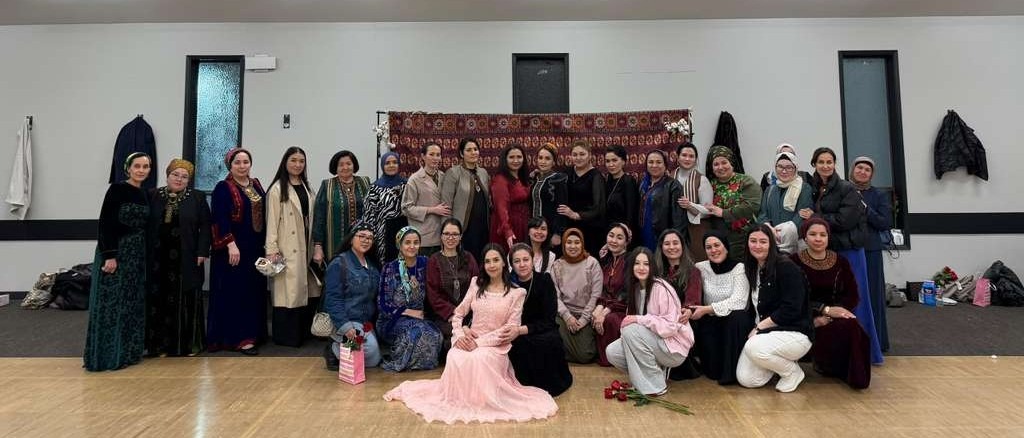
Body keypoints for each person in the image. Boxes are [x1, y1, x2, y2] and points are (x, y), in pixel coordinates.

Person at [383, 244, 558, 424]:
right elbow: (458, 314)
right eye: (487, 261)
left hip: (495, 346)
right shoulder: (476, 284)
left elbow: (510, 327)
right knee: (455, 355)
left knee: (479, 359)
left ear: (504, 263)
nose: (492, 265)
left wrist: (478, 343)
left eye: (496, 260)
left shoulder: (516, 292)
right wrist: (460, 336)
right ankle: (458, 400)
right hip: (469, 339)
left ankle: (481, 402)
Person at [800, 147, 882, 364]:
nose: (825, 166)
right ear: (814, 164)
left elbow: (846, 220)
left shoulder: (847, 188)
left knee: (856, 301)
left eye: (829, 162)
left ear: (835, 164)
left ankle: (865, 354)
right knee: (832, 304)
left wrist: (816, 216)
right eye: (821, 162)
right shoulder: (814, 187)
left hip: (850, 250)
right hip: (831, 249)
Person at [85, 152, 152, 371]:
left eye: (145, 167)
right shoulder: (117, 190)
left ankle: (128, 353)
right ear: (128, 168)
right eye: (137, 166)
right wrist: (110, 255)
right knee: (112, 303)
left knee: (131, 303)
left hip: (136, 255)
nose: (141, 170)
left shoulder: (144, 193)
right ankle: (107, 356)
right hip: (118, 253)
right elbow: (106, 223)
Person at [791, 218, 871, 389]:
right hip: (804, 315)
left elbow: (852, 295)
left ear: (828, 237)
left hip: (834, 315)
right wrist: (821, 311)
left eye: (823, 235)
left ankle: (853, 377)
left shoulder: (841, 261)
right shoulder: (793, 261)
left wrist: (837, 313)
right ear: (805, 237)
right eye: (813, 234)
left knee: (852, 326)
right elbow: (792, 298)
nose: (818, 239)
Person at [605, 247, 695, 396]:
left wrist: (639, 319)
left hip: (673, 347)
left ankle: (656, 386)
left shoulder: (661, 288)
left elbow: (670, 327)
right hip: (654, 342)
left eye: (646, 264)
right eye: (637, 263)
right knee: (612, 352)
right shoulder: (635, 289)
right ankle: (652, 374)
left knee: (631, 329)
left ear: (652, 266)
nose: (641, 268)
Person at [145, 158, 211, 358]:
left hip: (187, 256)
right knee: (160, 299)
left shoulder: (197, 197)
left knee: (186, 298)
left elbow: (206, 226)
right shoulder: (152, 195)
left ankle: (188, 345)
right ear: (167, 175)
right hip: (158, 258)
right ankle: (160, 346)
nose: (179, 179)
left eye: (184, 177)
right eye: (175, 174)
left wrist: (202, 251)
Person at [737, 224, 814, 393]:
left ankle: (792, 372)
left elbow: (791, 308)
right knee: (747, 379)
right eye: (753, 241)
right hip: (766, 336)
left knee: (753, 347)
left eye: (763, 241)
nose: (757, 246)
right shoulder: (752, 267)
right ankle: (777, 363)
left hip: (794, 332)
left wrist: (759, 327)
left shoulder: (786, 267)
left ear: (771, 244)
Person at [208, 148, 267, 355]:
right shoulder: (223, 188)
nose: (242, 166)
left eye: (246, 162)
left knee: (253, 291)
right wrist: (230, 244)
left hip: (254, 247)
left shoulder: (255, 185)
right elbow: (219, 218)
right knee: (236, 292)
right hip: (233, 250)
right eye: (237, 163)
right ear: (230, 165)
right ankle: (239, 338)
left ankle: (254, 333)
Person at [264, 147, 320, 347]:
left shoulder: (307, 186)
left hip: (305, 243)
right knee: (287, 293)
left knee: (304, 291)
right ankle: (286, 336)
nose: (297, 164)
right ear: (285, 162)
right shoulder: (277, 189)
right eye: (293, 160)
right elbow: (271, 222)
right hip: (287, 246)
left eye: (301, 161)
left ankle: (303, 332)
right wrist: (272, 250)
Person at [508, 243, 574, 396]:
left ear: (533, 261)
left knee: (549, 342)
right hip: (515, 330)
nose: (522, 264)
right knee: (517, 345)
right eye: (517, 261)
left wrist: (522, 330)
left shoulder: (544, 281)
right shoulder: (507, 283)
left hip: (542, 328)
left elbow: (549, 318)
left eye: (526, 259)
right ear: (512, 264)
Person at [690, 230, 753, 385]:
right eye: (708, 247)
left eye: (717, 245)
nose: (713, 250)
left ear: (726, 247)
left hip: (733, 324)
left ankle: (734, 371)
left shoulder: (739, 268)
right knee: (713, 372)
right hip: (711, 322)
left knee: (738, 316)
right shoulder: (700, 267)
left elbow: (739, 301)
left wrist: (706, 309)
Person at [377, 226, 442, 371]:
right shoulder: (390, 268)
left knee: (435, 333)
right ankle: (405, 362)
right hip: (392, 320)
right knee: (417, 331)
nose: (412, 246)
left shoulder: (425, 263)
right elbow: (383, 305)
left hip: (420, 317)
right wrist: (408, 312)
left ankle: (421, 364)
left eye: (416, 242)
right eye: (407, 242)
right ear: (399, 245)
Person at [322, 222, 382, 371]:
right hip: (347, 321)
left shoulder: (372, 265)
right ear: (350, 239)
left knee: (374, 359)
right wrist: (346, 327)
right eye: (361, 236)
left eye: (370, 238)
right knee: (368, 349)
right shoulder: (339, 263)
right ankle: (334, 348)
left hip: (365, 322)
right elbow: (333, 300)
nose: (366, 240)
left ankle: (346, 349)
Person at [850, 156, 892, 352]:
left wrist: (866, 209)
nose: (862, 171)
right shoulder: (845, 191)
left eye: (867, 169)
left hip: (871, 251)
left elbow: (884, 223)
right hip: (849, 249)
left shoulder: (879, 195)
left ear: (872, 174)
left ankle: (876, 342)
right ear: (853, 170)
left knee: (873, 295)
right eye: (859, 167)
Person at [654, 229, 704, 380]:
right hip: (659, 317)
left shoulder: (692, 271)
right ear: (661, 247)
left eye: (675, 243)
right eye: (667, 244)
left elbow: (693, 299)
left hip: (681, 318)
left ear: (682, 245)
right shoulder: (655, 270)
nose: (671, 247)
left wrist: (687, 310)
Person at [426, 218, 479, 358]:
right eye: (447, 234)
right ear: (441, 236)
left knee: (475, 334)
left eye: (455, 234)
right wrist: (453, 313)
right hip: (445, 316)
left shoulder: (469, 258)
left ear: (460, 237)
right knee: (459, 335)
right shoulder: (434, 260)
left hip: (469, 314)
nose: (451, 238)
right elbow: (433, 295)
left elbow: (477, 287)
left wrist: (466, 312)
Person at [550, 228, 603, 363]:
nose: (573, 246)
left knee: (586, 355)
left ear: (582, 244)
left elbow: (596, 295)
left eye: (577, 242)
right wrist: (567, 317)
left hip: (586, 315)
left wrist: (583, 319)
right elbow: (554, 296)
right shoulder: (557, 265)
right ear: (564, 244)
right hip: (563, 316)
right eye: (569, 242)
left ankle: (565, 351)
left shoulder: (592, 263)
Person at [703, 145, 762, 261]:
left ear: (731, 163)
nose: (720, 167)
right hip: (718, 240)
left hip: (743, 238)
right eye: (716, 164)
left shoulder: (746, 181)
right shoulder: (709, 184)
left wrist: (723, 213)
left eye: (724, 162)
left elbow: (753, 206)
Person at [313, 150, 371, 265]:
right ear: (336, 167)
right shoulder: (327, 185)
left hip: (362, 243)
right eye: (341, 165)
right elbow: (319, 217)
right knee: (337, 272)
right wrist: (318, 246)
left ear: (354, 165)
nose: (345, 167)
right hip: (334, 244)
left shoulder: (365, 182)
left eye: (348, 164)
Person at [441, 138, 491, 260]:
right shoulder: (453, 173)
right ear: (462, 154)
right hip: (464, 228)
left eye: (475, 149)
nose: (473, 152)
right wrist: (448, 232)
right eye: (469, 150)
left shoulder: (483, 173)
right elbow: (446, 205)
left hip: (483, 227)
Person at [756, 151, 813, 254]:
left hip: (795, 241)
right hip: (772, 240)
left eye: (789, 167)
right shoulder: (770, 189)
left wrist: (782, 232)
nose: (784, 171)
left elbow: (802, 215)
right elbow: (762, 214)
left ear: (795, 168)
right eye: (780, 167)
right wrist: (768, 228)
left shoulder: (804, 188)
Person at [593, 223, 632, 367]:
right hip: (609, 305)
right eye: (611, 236)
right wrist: (599, 306)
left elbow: (626, 293)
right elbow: (603, 289)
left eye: (619, 238)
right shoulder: (607, 261)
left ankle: (612, 358)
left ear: (626, 242)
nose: (614, 240)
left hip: (624, 307)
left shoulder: (629, 260)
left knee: (610, 319)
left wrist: (605, 311)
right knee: (594, 315)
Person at [401, 142, 449, 256]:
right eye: (431, 154)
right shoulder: (414, 179)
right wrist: (431, 210)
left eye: (438, 155)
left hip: (442, 237)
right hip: (424, 238)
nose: (435, 158)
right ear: (423, 156)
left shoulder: (444, 176)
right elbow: (406, 208)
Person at [561, 140, 606, 256]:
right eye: (575, 154)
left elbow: (598, 208)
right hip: (569, 228)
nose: (578, 158)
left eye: (582, 154)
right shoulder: (567, 172)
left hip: (590, 228)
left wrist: (576, 215)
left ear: (589, 155)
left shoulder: (596, 176)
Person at [363, 152, 408, 266]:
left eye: (395, 162)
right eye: (387, 163)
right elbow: (369, 214)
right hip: (383, 231)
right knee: (386, 263)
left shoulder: (406, 184)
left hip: (404, 227)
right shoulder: (374, 188)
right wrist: (370, 234)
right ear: (382, 166)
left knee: (404, 260)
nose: (391, 165)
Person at [673, 142, 713, 261]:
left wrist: (690, 205)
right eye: (684, 155)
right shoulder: (670, 176)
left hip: (695, 230)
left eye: (691, 156)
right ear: (677, 157)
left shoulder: (701, 180)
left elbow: (708, 211)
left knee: (696, 262)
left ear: (696, 160)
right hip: (673, 227)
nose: (687, 159)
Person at [638, 150, 684, 250]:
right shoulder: (643, 184)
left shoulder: (673, 185)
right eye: (651, 162)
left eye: (658, 162)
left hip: (661, 235)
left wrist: (675, 240)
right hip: (643, 232)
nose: (654, 165)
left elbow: (678, 218)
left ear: (665, 165)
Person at [490, 144, 530, 251]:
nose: (516, 160)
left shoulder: (522, 177)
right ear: (505, 160)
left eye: (519, 157)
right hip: (509, 225)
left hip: (523, 223)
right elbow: (501, 208)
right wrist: (507, 230)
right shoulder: (500, 180)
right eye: (511, 157)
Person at [530, 143, 569, 250]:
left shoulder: (558, 179)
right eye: (540, 158)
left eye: (547, 158)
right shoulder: (534, 178)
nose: (543, 161)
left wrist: (557, 233)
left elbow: (562, 208)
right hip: (534, 229)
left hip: (550, 230)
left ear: (553, 162)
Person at [604, 145, 638, 237]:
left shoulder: (628, 181)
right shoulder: (607, 181)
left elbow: (631, 212)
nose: (611, 164)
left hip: (623, 233)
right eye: (607, 161)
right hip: (608, 231)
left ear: (623, 161)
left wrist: (626, 233)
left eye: (614, 160)